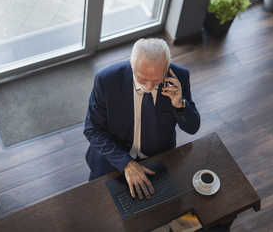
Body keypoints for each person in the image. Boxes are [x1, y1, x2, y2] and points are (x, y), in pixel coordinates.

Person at [84, 38, 200, 199]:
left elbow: (193, 128)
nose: (150, 87)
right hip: (113, 160)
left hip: (159, 160)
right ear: (131, 63)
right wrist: (127, 163)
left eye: (157, 80)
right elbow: (93, 130)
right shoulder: (106, 80)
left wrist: (180, 104)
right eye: (143, 79)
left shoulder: (180, 76)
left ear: (168, 68)